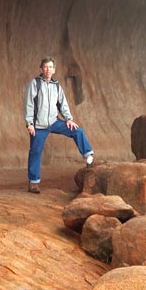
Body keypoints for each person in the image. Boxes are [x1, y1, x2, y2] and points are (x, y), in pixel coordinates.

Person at [23, 57, 94, 194]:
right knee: (35, 152)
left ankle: (88, 155)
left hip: (54, 122)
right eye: (45, 67)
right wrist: (29, 123)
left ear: (54, 70)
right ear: (41, 69)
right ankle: (33, 183)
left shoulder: (56, 86)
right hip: (38, 125)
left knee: (77, 130)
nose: (48, 69)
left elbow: (63, 104)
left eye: (50, 67)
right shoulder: (35, 83)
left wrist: (68, 119)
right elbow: (29, 104)